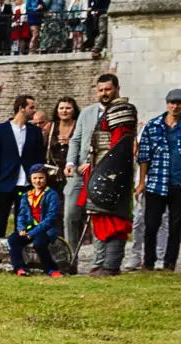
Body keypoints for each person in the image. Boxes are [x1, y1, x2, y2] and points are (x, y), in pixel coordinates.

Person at [135, 88, 181, 271]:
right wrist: (142, 182)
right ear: (167, 104)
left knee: (175, 226)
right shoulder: (153, 125)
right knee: (151, 225)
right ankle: (148, 262)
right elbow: (144, 156)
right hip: (156, 182)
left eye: (179, 103)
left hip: (180, 182)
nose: (175, 106)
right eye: (172, 102)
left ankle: (169, 263)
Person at [75, 83, 137, 278]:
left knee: (114, 220)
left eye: (107, 89)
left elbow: (119, 146)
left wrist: (108, 174)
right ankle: (98, 263)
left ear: (117, 89)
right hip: (99, 169)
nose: (104, 93)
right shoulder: (104, 111)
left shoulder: (121, 109)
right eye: (100, 90)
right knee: (98, 216)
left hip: (111, 173)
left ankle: (110, 265)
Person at [0, 94, 44, 239]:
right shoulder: (0, 130)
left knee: (24, 222)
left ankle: (21, 254)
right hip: (5, 182)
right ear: (21, 108)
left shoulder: (35, 132)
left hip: (27, 184)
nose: (34, 111)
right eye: (31, 107)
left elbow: (39, 158)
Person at [6, 163, 64, 275]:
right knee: (13, 239)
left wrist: (32, 233)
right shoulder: (27, 195)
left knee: (39, 243)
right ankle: (19, 268)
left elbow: (51, 218)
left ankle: (51, 269)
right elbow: (21, 214)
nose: (38, 181)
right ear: (30, 179)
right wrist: (21, 229)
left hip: (45, 230)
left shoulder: (51, 195)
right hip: (29, 228)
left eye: (41, 178)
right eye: (35, 178)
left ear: (46, 178)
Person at [46, 98, 79, 218]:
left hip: (73, 172)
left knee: (72, 209)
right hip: (53, 174)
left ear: (74, 110)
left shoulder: (79, 126)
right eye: (61, 108)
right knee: (54, 207)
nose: (64, 111)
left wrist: (71, 142)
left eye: (68, 108)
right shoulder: (50, 127)